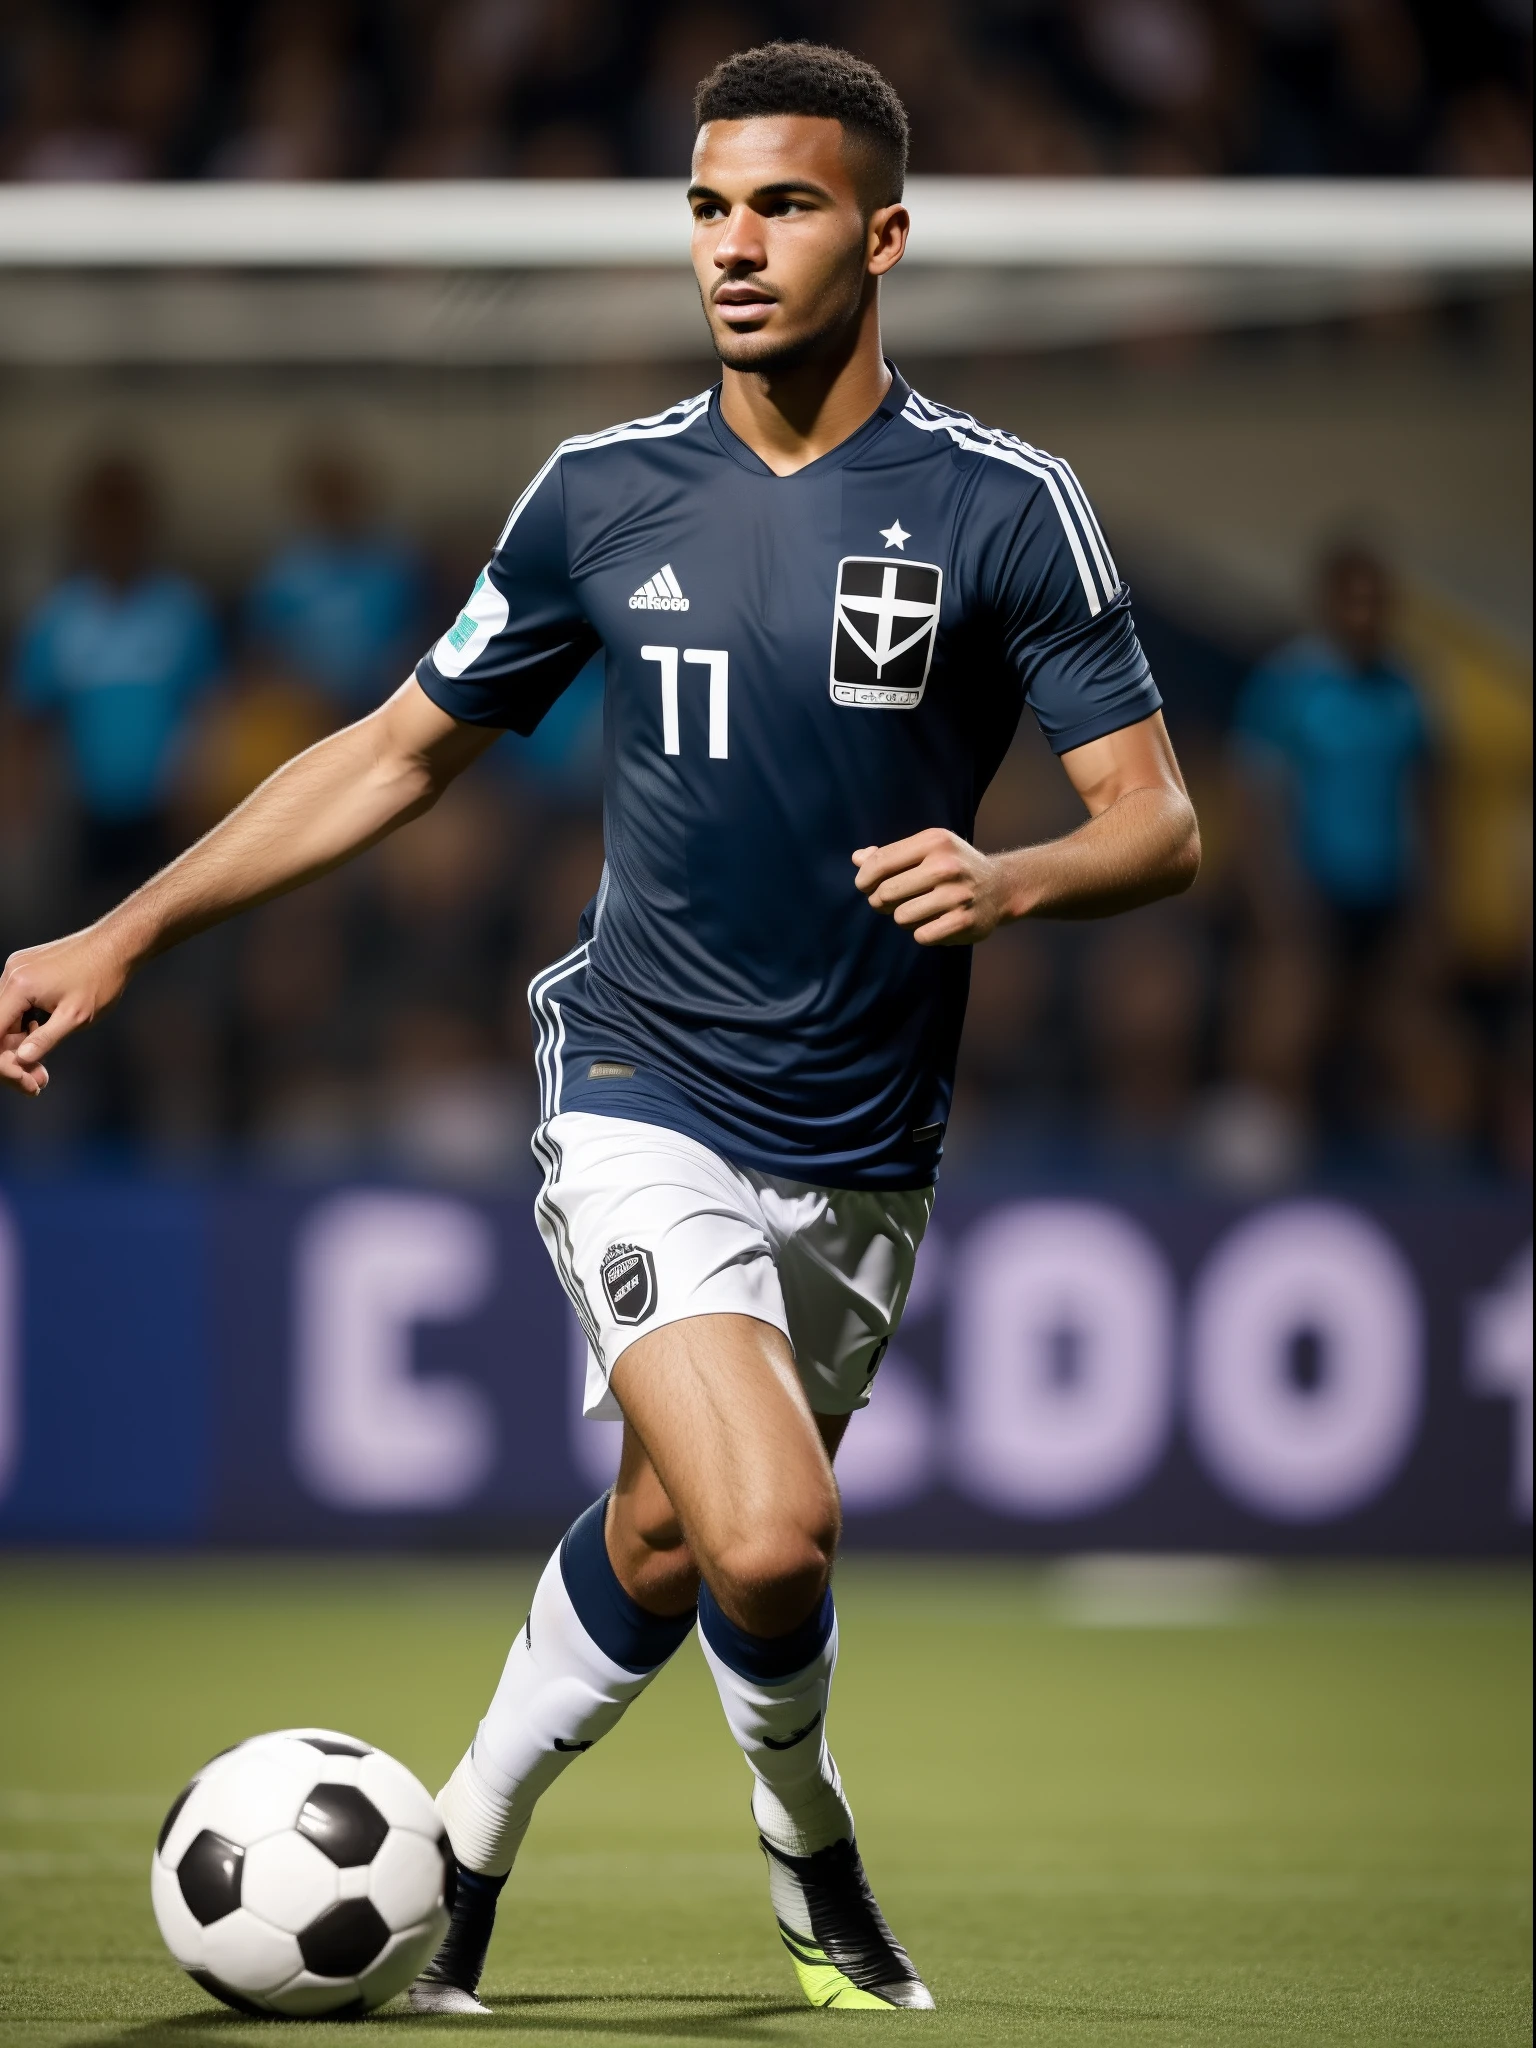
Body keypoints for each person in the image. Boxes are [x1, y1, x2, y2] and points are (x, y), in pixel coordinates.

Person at [0, 44, 1199, 2013]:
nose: (735, 244)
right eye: (710, 205)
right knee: (773, 1528)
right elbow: (396, 752)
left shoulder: (1005, 511)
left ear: (882, 234)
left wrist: (1013, 878)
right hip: (639, 1079)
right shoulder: (600, 495)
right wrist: (124, 931)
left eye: (786, 205)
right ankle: (812, 1851)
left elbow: (1157, 819)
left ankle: (460, 1845)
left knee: (666, 1537)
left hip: (868, 1140)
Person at [11, 453, 221, 900]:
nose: (115, 535)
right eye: (104, 521)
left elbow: (210, 712)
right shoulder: (60, 617)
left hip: (167, 812)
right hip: (83, 815)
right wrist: (23, 811)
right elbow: (28, 720)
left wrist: (199, 794)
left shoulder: (181, 611)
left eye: (126, 520)